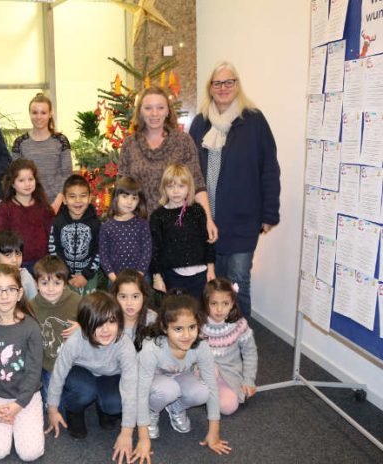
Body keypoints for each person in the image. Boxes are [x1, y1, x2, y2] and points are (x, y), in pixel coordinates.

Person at [190, 61, 281, 318]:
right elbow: (189, 172)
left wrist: (269, 214)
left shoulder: (253, 121)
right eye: (218, 83)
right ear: (210, 88)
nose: (223, 88)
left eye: (229, 82)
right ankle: (215, 339)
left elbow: (270, 169)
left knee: (238, 281)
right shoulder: (200, 123)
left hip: (242, 221)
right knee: (211, 284)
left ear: (237, 85)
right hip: (206, 221)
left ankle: (241, 338)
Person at [135, 290, 230, 462]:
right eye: (178, 329)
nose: (187, 336)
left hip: (177, 377)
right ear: (165, 328)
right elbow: (140, 393)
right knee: (168, 390)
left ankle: (176, 407)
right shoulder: (152, 349)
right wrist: (143, 439)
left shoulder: (201, 346)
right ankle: (152, 410)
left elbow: (213, 388)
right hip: (152, 384)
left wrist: (214, 433)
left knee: (203, 392)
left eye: (192, 327)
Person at [46, 292, 137, 464]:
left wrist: (127, 432)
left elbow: (131, 390)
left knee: (114, 404)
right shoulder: (75, 341)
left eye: (111, 321)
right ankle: (74, 411)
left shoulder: (124, 345)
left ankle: (103, 408)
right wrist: (52, 410)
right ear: (86, 326)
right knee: (85, 391)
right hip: (81, 373)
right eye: (98, 323)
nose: (106, 329)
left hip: (109, 375)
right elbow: (58, 375)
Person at [118, 86, 217, 242]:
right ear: (140, 112)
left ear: (168, 111)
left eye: (160, 107)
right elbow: (121, 189)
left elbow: (197, 184)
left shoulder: (183, 142)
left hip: (176, 228)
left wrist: (208, 220)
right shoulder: (130, 144)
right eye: (148, 108)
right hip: (138, 228)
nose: (154, 113)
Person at [0, 264, 45, 462]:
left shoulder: (31, 327)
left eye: (11, 289)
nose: (4, 296)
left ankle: (20, 423)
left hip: (27, 396)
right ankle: (9, 424)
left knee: (30, 454)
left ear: (19, 293)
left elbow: (33, 372)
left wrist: (18, 405)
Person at [149, 164, 216, 300]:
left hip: (200, 275)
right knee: (175, 314)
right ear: (164, 188)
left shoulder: (197, 211)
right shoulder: (158, 216)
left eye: (181, 186)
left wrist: (211, 269)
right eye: (171, 186)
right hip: (173, 277)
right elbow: (154, 249)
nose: (176, 191)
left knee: (197, 314)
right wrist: (157, 277)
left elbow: (207, 242)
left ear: (189, 188)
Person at [29, 256, 81, 410]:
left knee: (76, 397)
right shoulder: (31, 306)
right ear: (36, 284)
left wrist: (81, 326)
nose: (50, 289)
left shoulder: (77, 301)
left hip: (74, 364)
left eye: (57, 283)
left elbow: (94, 324)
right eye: (44, 283)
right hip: (48, 364)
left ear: (65, 283)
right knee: (52, 406)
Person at [200, 278, 258, 415]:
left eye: (225, 303)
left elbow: (250, 353)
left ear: (232, 304)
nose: (219, 309)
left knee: (228, 407)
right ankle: (203, 392)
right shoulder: (198, 324)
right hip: (201, 370)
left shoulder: (240, 325)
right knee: (210, 369)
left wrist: (248, 380)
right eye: (213, 303)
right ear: (206, 303)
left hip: (228, 375)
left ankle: (210, 395)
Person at [12, 93, 72, 212]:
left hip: (58, 205)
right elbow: (15, 176)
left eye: (43, 112)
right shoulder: (20, 142)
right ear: (30, 114)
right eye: (35, 112)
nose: (38, 117)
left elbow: (67, 174)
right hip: (28, 206)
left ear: (50, 114)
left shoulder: (61, 141)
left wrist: (57, 202)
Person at [0, 158, 54, 274]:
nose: (27, 184)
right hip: (16, 265)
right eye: (21, 180)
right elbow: (2, 240)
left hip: (42, 264)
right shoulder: (4, 209)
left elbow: (51, 236)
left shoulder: (44, 207)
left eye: (30, 179)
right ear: (12, 183)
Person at [49, 174, 101, 295]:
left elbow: (99, 251)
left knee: (89, 309)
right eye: (72, 196)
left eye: (83, 196)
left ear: (89, 198)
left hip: (88, 275)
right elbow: (53, 249)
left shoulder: (95, 223)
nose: (78, 201)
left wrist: (86, 275)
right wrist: (65, 273)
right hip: (64, 276)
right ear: (65, 200)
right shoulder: (58, 222)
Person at [0, 230, 38, 331]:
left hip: (23, 333)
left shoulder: (26, 278)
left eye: (18, 254)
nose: (14, 260)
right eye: (8, 255)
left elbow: (35, 310)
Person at [98, 177, 152, 283]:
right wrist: (114, 278)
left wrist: (139, 275)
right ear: (116, 197)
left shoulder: (142, 224)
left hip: (141, 278)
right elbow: (103, 255)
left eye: (134, 198)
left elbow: (147, 251)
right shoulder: (106, 227)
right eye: (124, 196)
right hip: (115, 278)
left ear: (139, 201)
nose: (129, 202)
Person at [111, 269, 158, 351]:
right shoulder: (108, 320)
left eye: (135, 297)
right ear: (115, 297)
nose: (129, 303)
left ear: (144, 296)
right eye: (123, 297)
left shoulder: (152, 319)